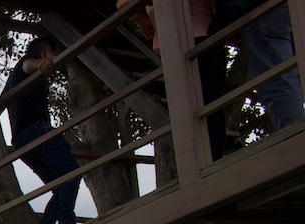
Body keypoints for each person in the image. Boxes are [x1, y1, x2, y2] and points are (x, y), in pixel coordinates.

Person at [121, 0, 227, 160]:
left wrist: (140, 18)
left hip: (190, 41)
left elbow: (122, 4)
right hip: (191, 40)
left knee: (201, 108)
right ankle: (208, 160)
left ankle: (207, 161)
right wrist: (141, 19)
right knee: (204, 108)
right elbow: (121, 4)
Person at [3, 36, 81, 224]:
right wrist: (42, 63)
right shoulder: (28, 62)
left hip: (21, 142)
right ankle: (65, 220)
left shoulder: (13, 79)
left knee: (59, 186)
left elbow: (2, 102)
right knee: (72, 172)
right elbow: (29, 64)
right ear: (46, 51)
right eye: (52, 55)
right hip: (37, 131)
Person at [217, 0, 304, 130]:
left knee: (278, 82)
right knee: (289, 77)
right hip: (287, 8)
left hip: (259, 10)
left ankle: (296, 139)